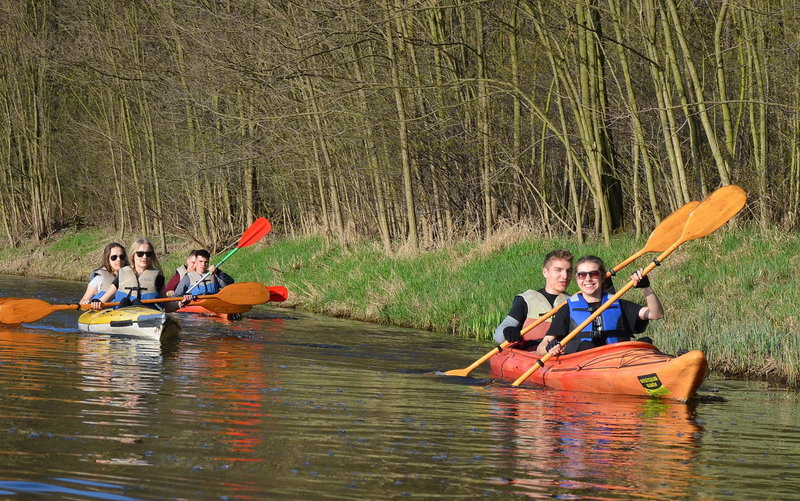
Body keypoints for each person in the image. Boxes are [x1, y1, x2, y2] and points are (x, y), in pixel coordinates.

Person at [538, 255, 663, 356]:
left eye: (593, 274)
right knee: (585, 345)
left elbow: (656, 314)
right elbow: (541, 347)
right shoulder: (567, 309)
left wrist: (646, 288)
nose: (587, 279)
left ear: (602, 277)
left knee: (645, 343)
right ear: (577, 279)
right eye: (582, 275)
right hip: (584, 365)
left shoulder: (618, 304)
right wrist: (550, 348)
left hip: (620, 360)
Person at [493, 249, 574, 348]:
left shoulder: (574, 302)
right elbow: (498, 337)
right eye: (558, 270)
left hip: (561, 355)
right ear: (545, 272)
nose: (565, 276)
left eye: (569, 271)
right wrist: (508, 331)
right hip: (529, 354)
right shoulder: (526, 300)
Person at [91, 238, 192, 312]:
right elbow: (104, 300)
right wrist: (96, 302)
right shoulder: (123, 275)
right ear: (133, 255)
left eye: (148, 254)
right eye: (140, 254)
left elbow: (167, 306)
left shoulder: (158, 278)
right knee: (125, 301)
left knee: (136, 303)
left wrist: (181, 303)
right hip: (122, 315)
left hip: (148, 316)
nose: (145, 257)